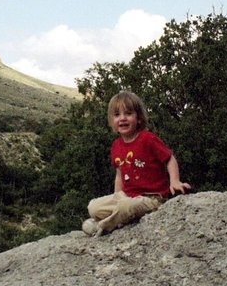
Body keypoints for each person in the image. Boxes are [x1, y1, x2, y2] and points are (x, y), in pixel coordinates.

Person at [82, 91, 192, 237]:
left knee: (126, 206)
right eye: (117, 115)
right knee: (93, 206)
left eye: (128, 113)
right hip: (127, 196)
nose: (122, 118)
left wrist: (175, 181)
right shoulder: (116, 145)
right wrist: (117, 196)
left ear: (138, 118)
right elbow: (120, 173)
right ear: (112, 121)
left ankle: (103, 226)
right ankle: (116, 217)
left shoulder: (147, 139)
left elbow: (169, 159)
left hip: (151, 198)